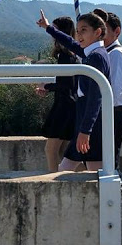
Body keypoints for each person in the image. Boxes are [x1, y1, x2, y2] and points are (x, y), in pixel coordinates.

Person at [37, 9, 111, 172]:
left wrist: (86, 130)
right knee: (66, 170)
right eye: (77, 31)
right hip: (84, 122)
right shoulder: (91, 53)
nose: (79, 35)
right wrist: (48, 28)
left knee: (95, 174)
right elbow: (71, 43)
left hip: (93, 126)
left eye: (84, 30)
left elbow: (95, 97)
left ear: (98, 32)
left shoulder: (97, 56)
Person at [36, 16, 77, 172]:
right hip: (69, 105)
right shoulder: (71, 54)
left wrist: (46, 86)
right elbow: (68, 84)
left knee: (51, 150)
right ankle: (86, 174)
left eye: (54, 30)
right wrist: (49, 88)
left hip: (63, 107)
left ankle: (54, 183)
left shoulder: (66, 56)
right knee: (64, 153)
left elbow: (65, 85)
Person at [93, 8, 122, 165]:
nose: (101, 34)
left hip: (114, 112)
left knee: (107, 156)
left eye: (105, 30)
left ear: (117, 31)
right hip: (109, 111)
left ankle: (112, 188)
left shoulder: (116, 54)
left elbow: (115, 90)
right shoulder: (106, 52)